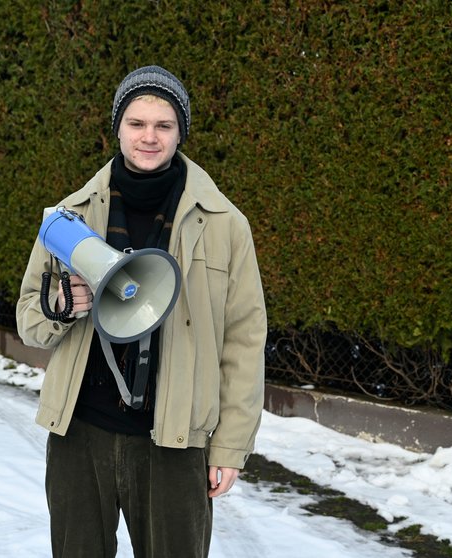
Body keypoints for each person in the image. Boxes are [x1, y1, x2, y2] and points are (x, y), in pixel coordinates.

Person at [16, 65, 266, 558]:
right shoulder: (72, 216)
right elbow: (29, 320)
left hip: (174, 441)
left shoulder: (225, 225)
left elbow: (244, 340)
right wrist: (62, 306)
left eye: (163, 125)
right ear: (118, 127)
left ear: (180, 133)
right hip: (79, 433)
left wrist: (230, 447)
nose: (148, 137)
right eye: (136, 123)